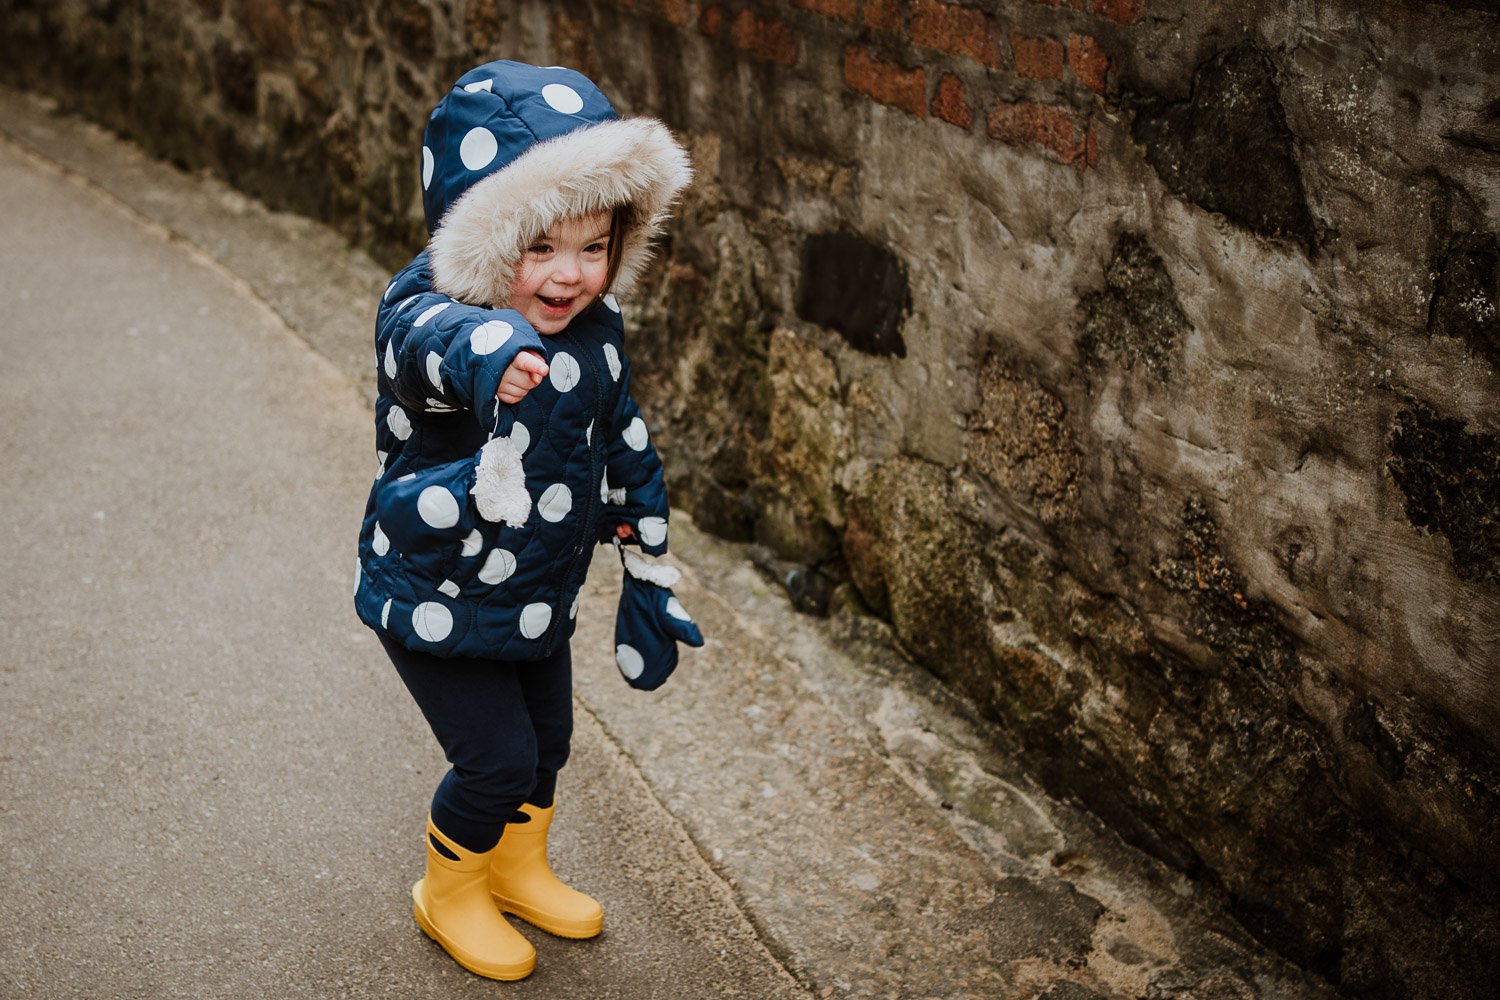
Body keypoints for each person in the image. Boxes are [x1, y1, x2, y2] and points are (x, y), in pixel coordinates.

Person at [353, 60, 702, 981]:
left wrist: (649, 566)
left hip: (536, 593)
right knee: (497, 760)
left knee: (548, 748)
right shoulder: (430, 311)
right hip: (433, 588)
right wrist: (492, 349)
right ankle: (448, 889)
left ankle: (513, 866)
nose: (569, 274)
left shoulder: (596, 331)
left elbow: (624, 446)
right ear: (483, 238)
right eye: (538, 248)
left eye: (593, 248)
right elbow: (427, 339)